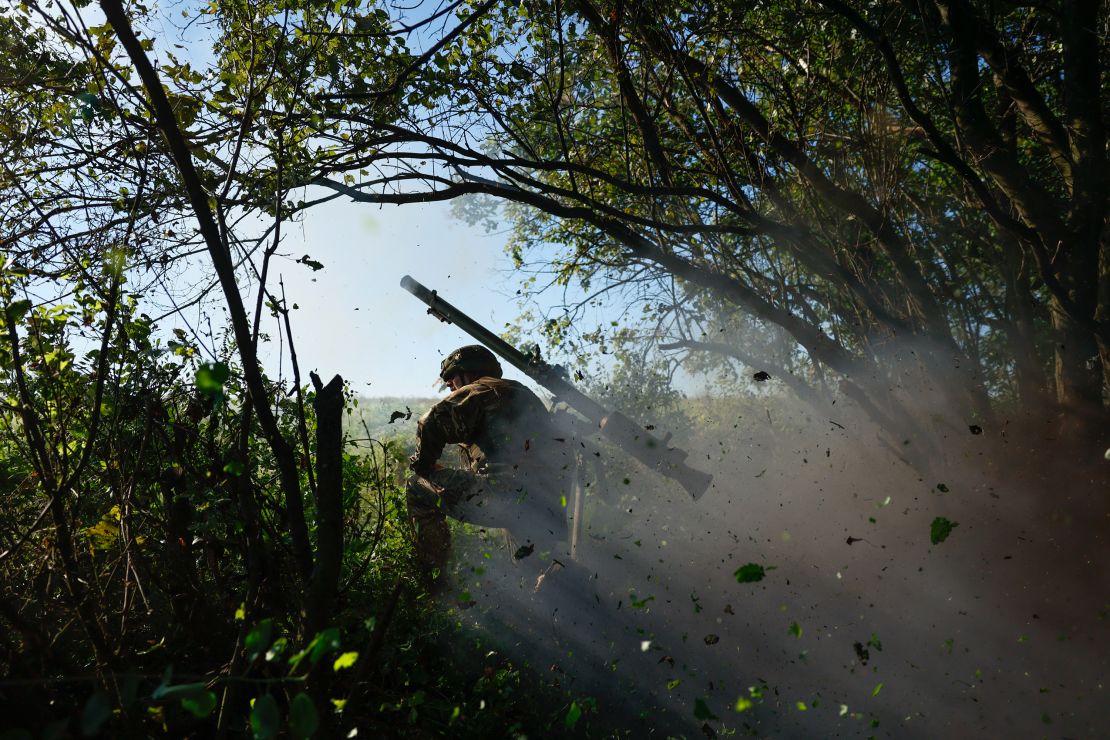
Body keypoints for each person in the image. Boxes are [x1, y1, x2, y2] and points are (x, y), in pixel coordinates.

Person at [406, 345, 567, 591]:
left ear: (468, 373)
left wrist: (424, 465)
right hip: (549, 505)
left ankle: (436, 580)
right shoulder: (522, 392)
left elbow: (431, 422)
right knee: (536, 574)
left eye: (452, 378)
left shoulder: (480, 389)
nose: (450, 385)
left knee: (416, 485)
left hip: (504, 496)